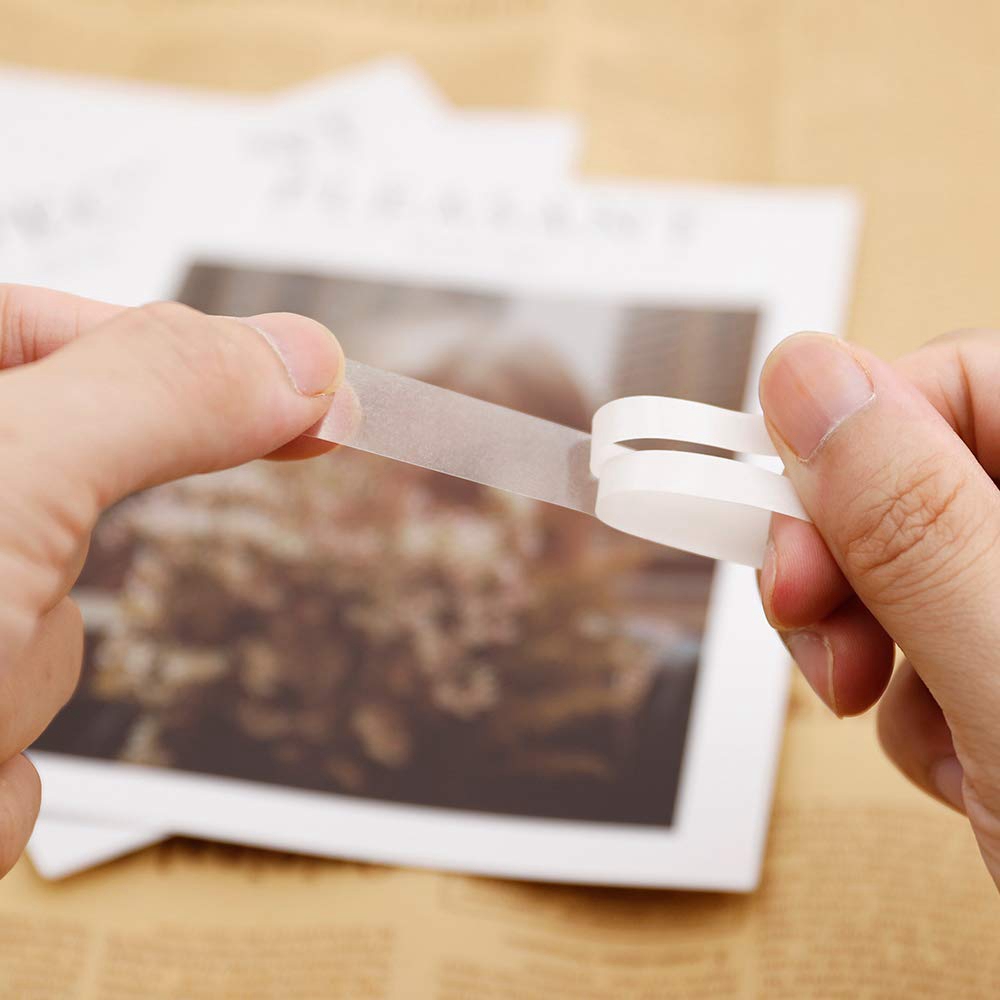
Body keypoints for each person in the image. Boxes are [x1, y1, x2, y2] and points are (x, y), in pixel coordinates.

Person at [0, 285, 998, 892]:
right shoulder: (171, 653)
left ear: (567, 533)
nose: (402, 521)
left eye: (455, 490)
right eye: (364, 479)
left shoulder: (648, 702)